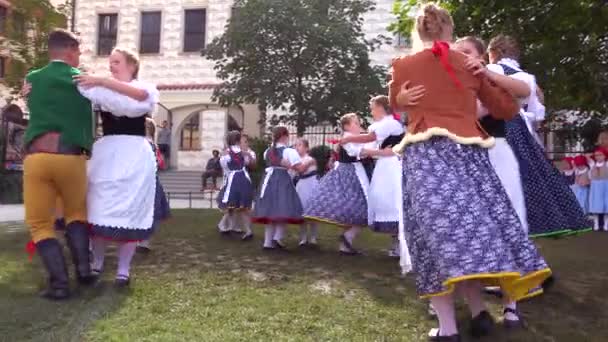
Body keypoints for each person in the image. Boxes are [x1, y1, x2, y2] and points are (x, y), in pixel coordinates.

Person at [390, 5, 551, 341]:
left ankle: (448, 328)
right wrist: (485, 74)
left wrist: (400, 98)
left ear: (419, 33)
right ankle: (479, 310)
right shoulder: (468, 64)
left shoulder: (403, 64)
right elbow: (506, 109)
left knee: (431, 239)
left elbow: (396, 105)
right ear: (450, 30)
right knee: (470, 235)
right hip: (467, 154)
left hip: (424, 156)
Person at [487, 34, 591, 238]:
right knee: (528, 179)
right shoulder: (528, 78)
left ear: (494, 53)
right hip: (524, 132)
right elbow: (538, 116)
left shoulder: (493, 69)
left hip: (501, 127)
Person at [73, 47, 159, 288]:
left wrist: (102, 80)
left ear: (132, 65)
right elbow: (68, 85)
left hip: (134, 154)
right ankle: (97, 262)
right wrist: (32, 89)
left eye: (117, 62)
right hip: (107, 152)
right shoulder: (99, 90)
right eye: (110, 62)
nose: (111, 65)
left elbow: (140, 98)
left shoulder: (145, 88)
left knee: (131, 210)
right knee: (98, 205)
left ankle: (123, 269)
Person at [22, 29, 98, 300]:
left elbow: (30, 102)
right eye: (77, 51)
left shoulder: (32, 78)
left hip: (37, 159)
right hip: (71, 157)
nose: (79, 57)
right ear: (69, 50)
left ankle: (60, 285)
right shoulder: (82, 79)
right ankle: (85, 272)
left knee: (40, 224)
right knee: (76, 214)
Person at [453, 36, 531, 233]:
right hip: (464, 151)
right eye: (457, 52)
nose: (461, 56)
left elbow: (525, 90)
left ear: (481, 56)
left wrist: (486, 74)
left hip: (495, 149)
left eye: (467, 51)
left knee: (506, 203)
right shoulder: (451, 81)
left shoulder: (492, 73)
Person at [340, 96, 407, 258]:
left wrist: (348, 138)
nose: (371, 111)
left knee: (393, 201)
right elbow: (371, 146)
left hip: (392, 165)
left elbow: (370, 139)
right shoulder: (382, 125)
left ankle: (400, 246)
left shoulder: (390, 123)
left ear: (380, 107)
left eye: (372, 107)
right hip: (384, 165)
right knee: (386, 201)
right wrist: (368, 151)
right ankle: (397, 245)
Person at [304, 113, 375, 255]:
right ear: (347, 126)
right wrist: (378, 151)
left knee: (357, 209)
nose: (359, 124)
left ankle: (346, 242)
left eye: (358, 122)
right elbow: (357, 152)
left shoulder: (356, 138)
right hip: (349, 174)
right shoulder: (347, 139)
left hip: (356, 173)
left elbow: (367, 146)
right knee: (362, 208)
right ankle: (346, 239)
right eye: (355, 122)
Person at [252, 125, 313, 250]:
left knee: (271, 210)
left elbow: (268, 162)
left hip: (268, 180)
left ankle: (268, 242)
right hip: (282, 180)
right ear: (285, 136)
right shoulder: (289, 151)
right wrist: (310, 162)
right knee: (285, 208)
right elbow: (300, 168)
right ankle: (277, 237)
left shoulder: (267, 151)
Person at [137, 117, 171, 253]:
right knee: (147, 210)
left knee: (146, 209)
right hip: (147, 180)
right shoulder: (150, 144)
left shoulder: (145, 144)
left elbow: (156, 163)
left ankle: (143, 240)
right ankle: (142, 240)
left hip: (146, 180)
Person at [216, 130, 255, 240]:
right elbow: (248, 163)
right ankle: (245, 230)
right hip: (244, 179)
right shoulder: (244, 152)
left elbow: (224, 166)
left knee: (232, 206)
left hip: (233, 180)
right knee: (242, 207)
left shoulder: (226, 153)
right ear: (238, 140)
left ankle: (227, 227)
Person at [293, 138, 320, 247]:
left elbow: (304, 169)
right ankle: (303, 237)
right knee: (302, 212)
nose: (296, 147)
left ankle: (313, 237)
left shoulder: (310, 159)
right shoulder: (295, 160)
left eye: (299, 145)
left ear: (307, 148)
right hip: (301, 186)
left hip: (311, 185)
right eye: (295, 145)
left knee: (313, 212)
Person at [588, 148, 608, 231]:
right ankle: (596, 223)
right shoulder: (592, 165)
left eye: (600, 155)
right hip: (595, 187)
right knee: (596, 204)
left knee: (606, 204)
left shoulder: (607, 164)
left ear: (605, 156)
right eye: (596, 155)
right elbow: (589, 175)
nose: (598, 157)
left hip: (605, 187)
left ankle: (606, 224)